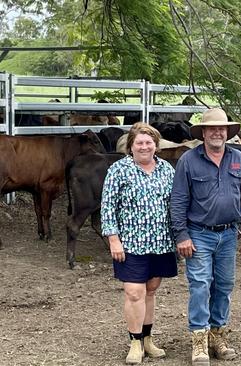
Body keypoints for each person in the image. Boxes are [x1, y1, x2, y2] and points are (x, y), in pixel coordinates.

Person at [170, 108, 241, 366]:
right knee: (199, 285)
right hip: (198, 234)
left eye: (222, 129)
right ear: (203, 133)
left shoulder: (238, 158)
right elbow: (178, 200)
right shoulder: (188, 160)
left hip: (229, 233)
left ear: (228, 133)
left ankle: (218, 336)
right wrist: (181, 234)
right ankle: (199, 339)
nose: (218, 132)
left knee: (225, 285)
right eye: (212, 129)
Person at [100, 122, 177, 364]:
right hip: (130, 243)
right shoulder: (118, 170)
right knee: (134, 292)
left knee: (151, 290)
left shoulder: (167, 170)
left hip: (161, 241)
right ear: (130, 146)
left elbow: (176, 204)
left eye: (149, 142)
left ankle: (147, 339)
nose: (144, 146)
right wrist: (113, 238)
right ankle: (134, 342)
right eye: (139, 143)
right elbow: (108, 206)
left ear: (156, 145)